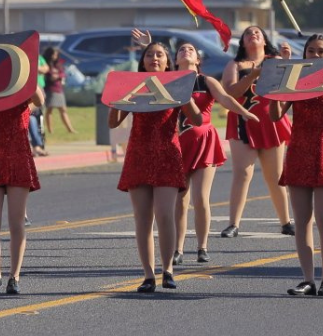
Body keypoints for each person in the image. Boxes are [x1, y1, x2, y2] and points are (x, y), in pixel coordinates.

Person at [109, 41, 202, 293]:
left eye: (159, 55)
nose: (154, 59)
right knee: (142, 218)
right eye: (149, 55)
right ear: (143, 60)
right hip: (139, 153)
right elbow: (113, 122)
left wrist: (186, 95)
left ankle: (168, 270)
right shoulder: (136, 85)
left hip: (167, 154)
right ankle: (148, 275)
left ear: (167, 60)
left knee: (164, 214)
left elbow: (197, 119)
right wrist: (119, 97)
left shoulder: (174, 84)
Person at [269, 34, 323, 297]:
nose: (315, 57)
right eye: (311, 52)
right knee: (302, 220)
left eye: (321, 52)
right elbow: (275, 115)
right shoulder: (298, 82)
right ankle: (307, 279)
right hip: (299, 152)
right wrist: (280, 84)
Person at [165, 37, 257, 265]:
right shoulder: (168, 81)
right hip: (176, 144)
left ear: (197, 59)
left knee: (200, 198)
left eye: (191, 49)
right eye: (181, 50)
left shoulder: (205, 81)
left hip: (203, 141)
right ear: (175, 59)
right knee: (180, 199)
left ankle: (202, 247)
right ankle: (178, 248)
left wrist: (245, 113)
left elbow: (226, 98)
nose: (186, 51)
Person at [221, 26, 295, 239]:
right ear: (242, 42)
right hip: (242, 121)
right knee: (243, 173)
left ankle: (286, 222)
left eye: (257, 33)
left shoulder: (275, 60)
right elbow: (231, 93)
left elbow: (289, 88)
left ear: (265, 41)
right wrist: (252, 75)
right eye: (248, 33)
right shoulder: (235, 65)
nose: (252, 35)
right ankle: (233, 224)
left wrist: (287, 62)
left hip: (270, 121)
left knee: (276, 176)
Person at [0, 86, 45, 295]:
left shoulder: (26, 88)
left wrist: (26, 74)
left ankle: (14, 276)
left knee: (16, 223)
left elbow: (40, 99)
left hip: (18, 158)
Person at [42, 47, 76, 134]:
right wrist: (53, 77)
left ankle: (70, 129)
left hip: (59, 89)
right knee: (49, 109)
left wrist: (59, 76)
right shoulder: (46, 64)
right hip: (50, 89)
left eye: (56, 54)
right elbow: (48, 75)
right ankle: (50, 130)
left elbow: (63, 74)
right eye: (53, 54)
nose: (55, 56)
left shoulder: (58, 64)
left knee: (63, 109)